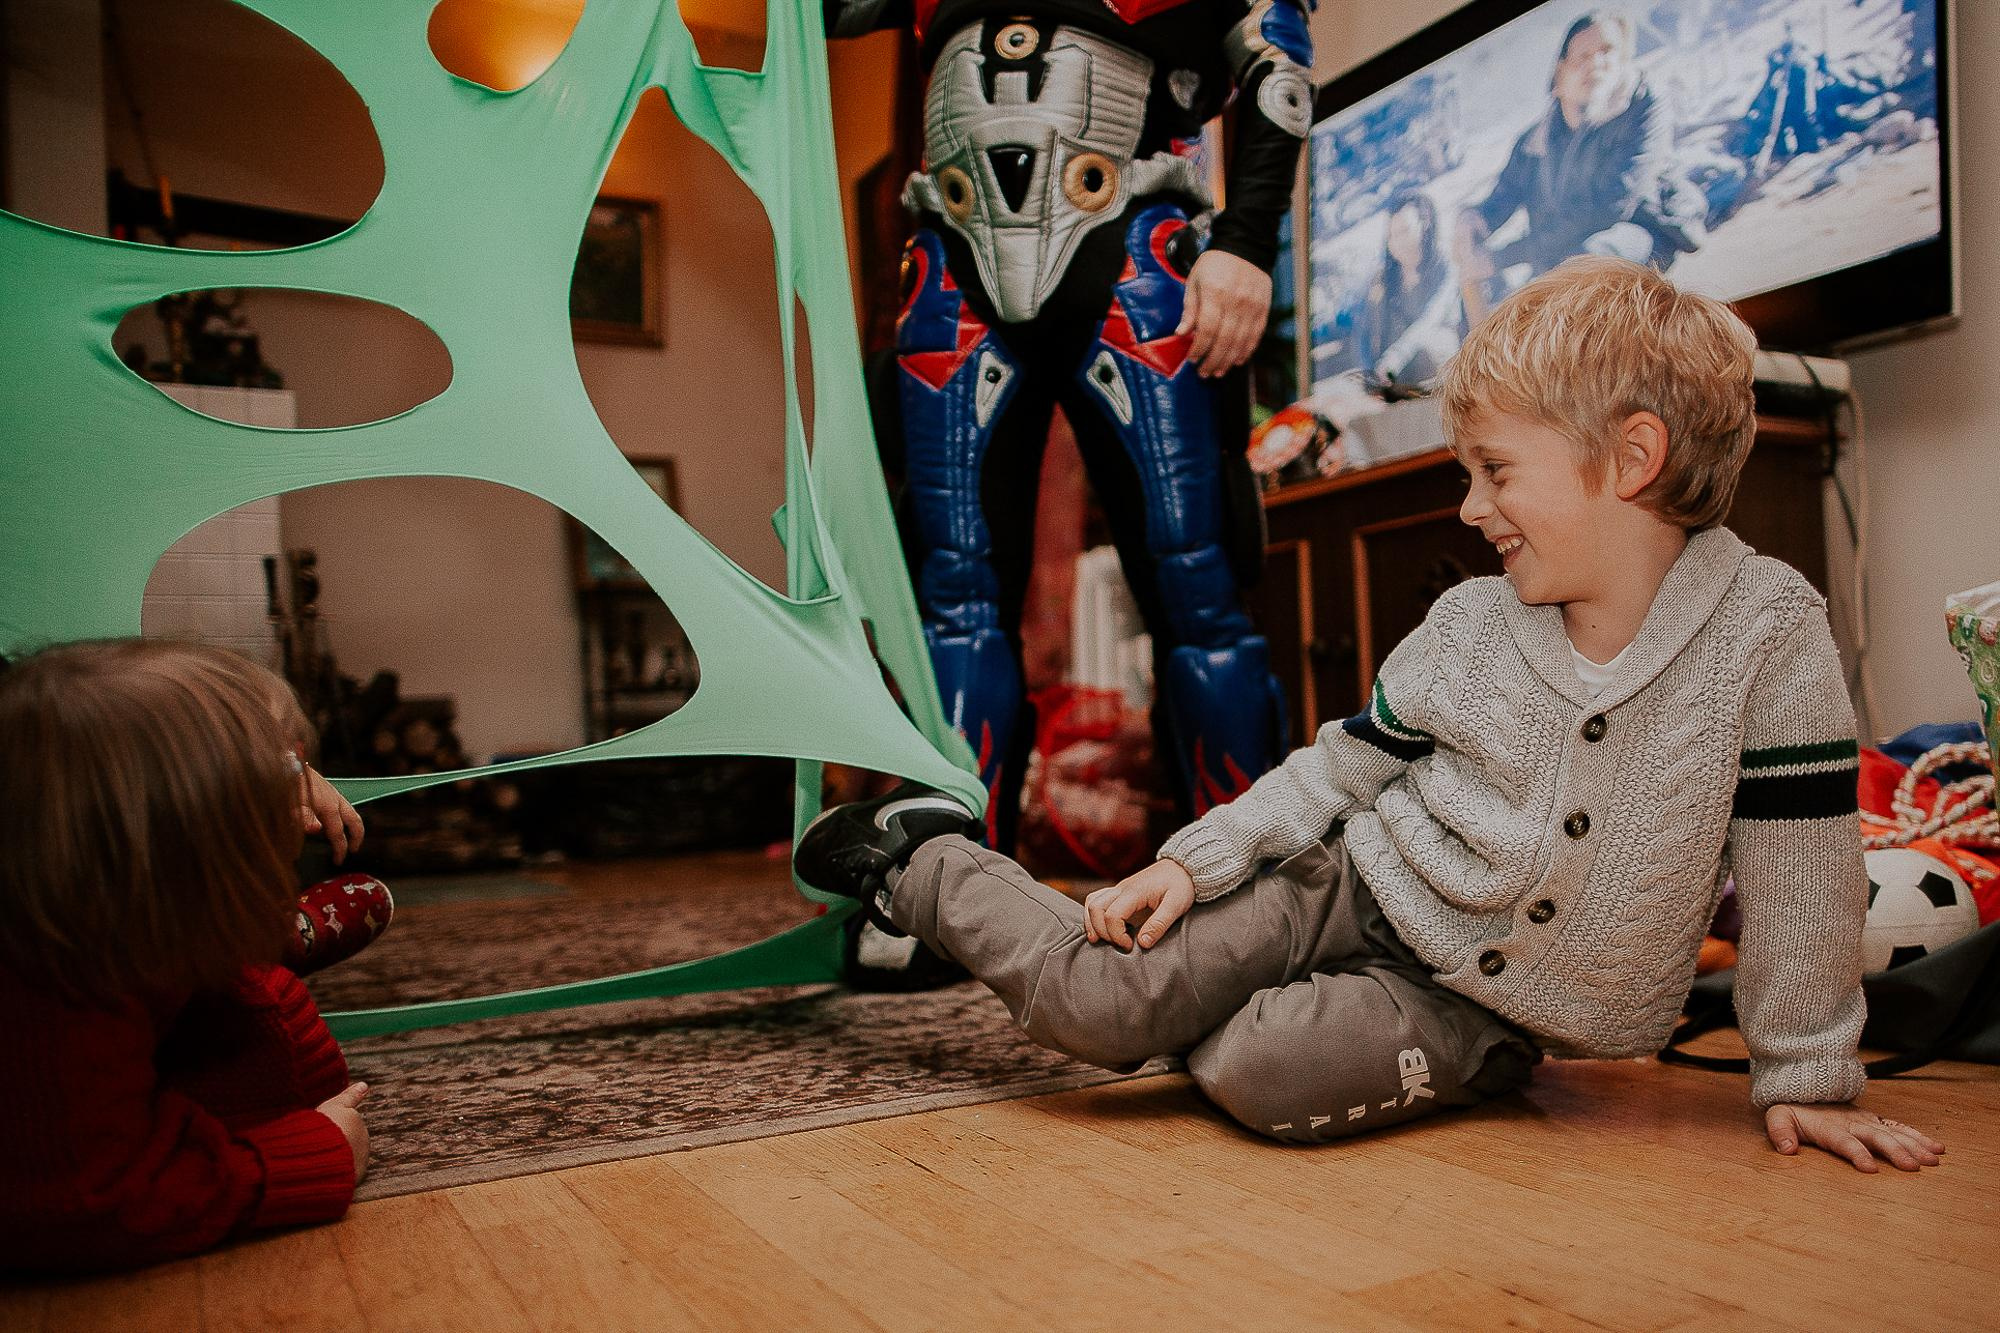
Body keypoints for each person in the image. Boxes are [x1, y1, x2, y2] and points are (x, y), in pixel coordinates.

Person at [796, 257, 1949, 1171]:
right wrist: (1198, 867)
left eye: (1494, 469)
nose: (1469, 504)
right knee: (1098, 1006)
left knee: (1260, 1075)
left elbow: (1802, 867)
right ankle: (923, 860)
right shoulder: (1468, 626)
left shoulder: (1767, 632)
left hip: (1482, 1010)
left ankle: (1222, 1009)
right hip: (1345, 880)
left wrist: (1804, 1073)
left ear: (1630, 457)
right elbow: (1340, 768)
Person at [826, 0, 1314, 847]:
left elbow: (1277, 62)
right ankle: (948, 891)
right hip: (955, 264)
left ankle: (1246, 886)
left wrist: (1244, 242)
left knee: (1197, 586)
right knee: (953, 600)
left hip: (1131, 260)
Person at [0, 640, 389, 1272]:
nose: (307, 818)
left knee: (242, 1006)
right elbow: (92, 1203)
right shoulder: (54, 1013)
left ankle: (248, 939)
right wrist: (303, 1158)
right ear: (188, 864)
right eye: (273, 834)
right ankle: (265, 937)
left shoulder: (98, 918)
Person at [1454, 12, 1703, 323]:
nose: (1596, 63)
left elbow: (1612, 204)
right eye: (1582, 56)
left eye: (1607, 51)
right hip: (1560, 256)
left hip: (1635, 233)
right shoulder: (1535, 141)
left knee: (1585, 264)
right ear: (1559, 73)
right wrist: (1476, 221)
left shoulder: (1644, 106)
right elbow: (1504, 196)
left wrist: (1502, 257)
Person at [1352, 190, 1462, 393]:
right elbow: (1365, 334)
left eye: (1405, 231)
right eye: (1392, 235)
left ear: (1425, 224)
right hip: (1393, 378)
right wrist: (1371, 376)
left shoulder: (1445, 267)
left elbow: (1429, 320)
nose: (1398, 242)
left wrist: (1394, 359)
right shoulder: (1383, 280)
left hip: (1437, 376)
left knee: (1430, 347)